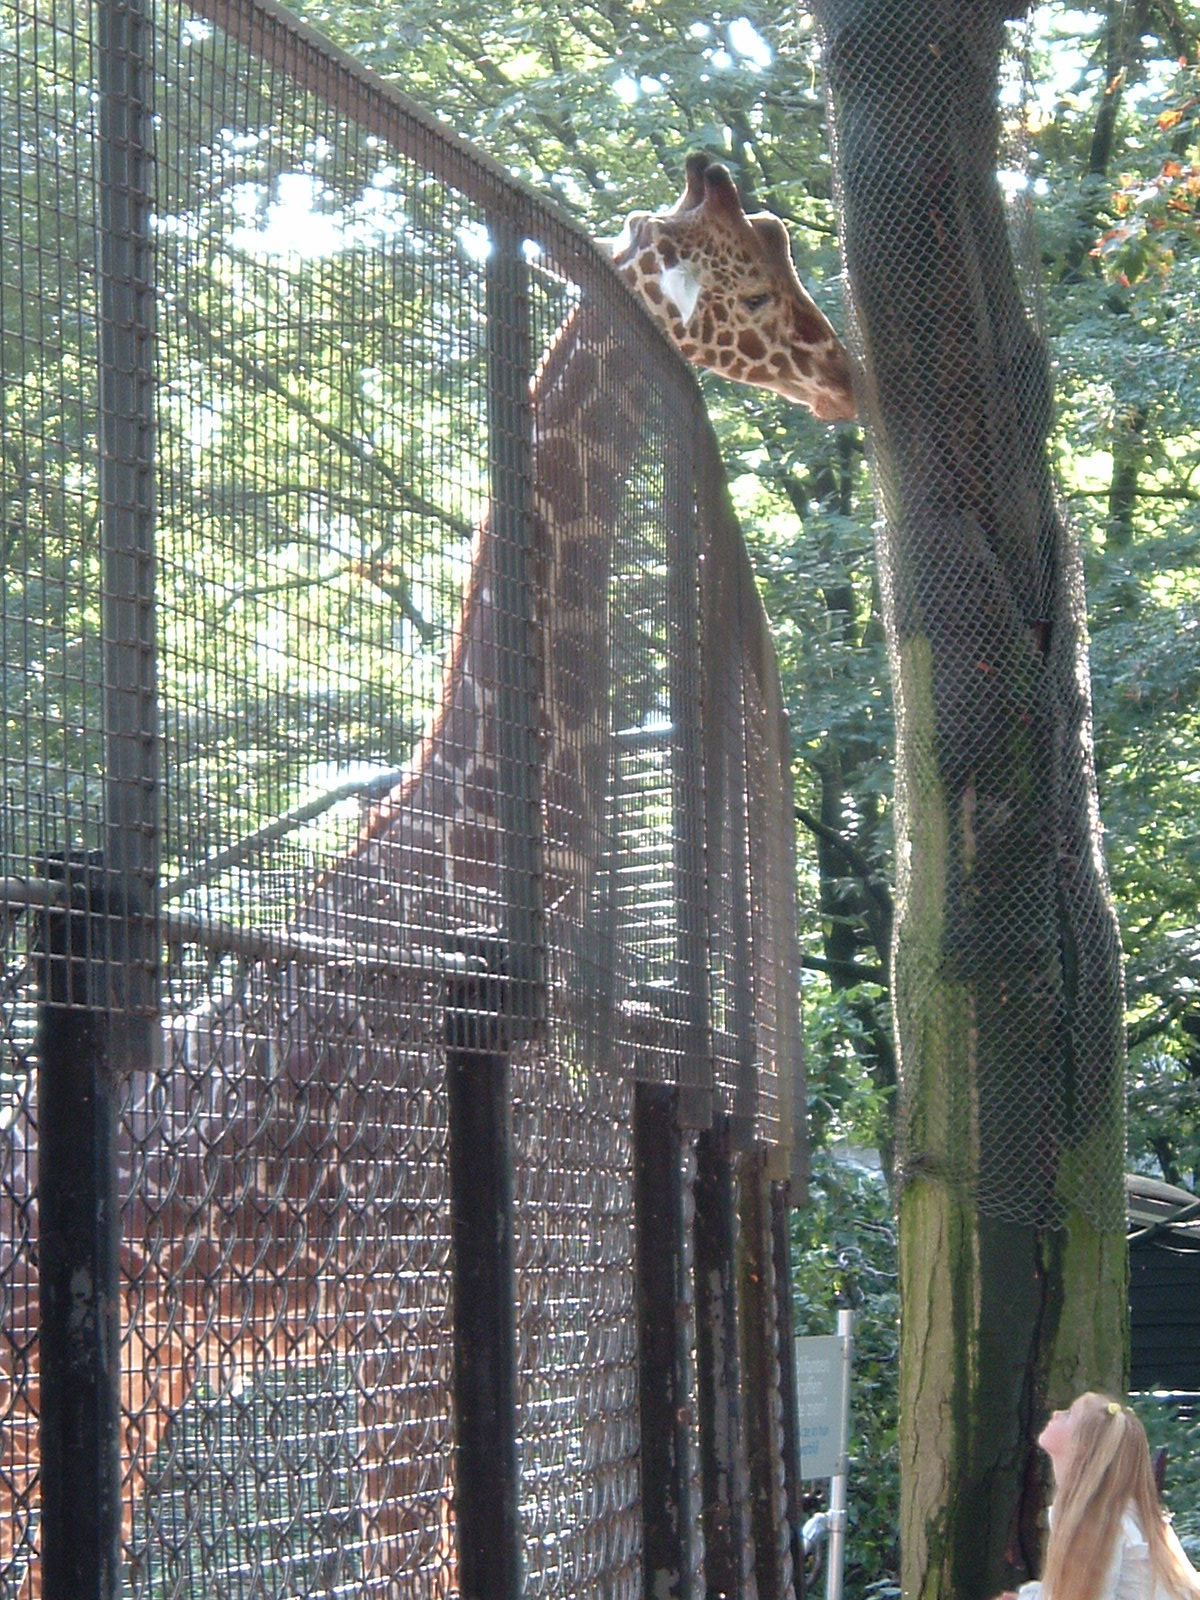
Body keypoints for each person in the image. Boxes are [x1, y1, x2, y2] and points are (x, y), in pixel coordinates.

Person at [995, 1391, 1200, 1600]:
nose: (1056, 1413)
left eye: (1068, 1415)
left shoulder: (1093, 1515)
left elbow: (1085, 1595)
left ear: (1082, 1448)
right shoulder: (1108, 1509)